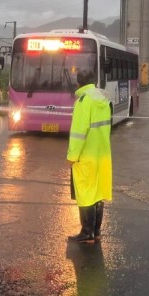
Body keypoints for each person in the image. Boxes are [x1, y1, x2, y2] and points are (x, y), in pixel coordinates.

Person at [65, 69, 112, 243]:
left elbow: (78, 133)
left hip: (86, 156)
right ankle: (96, 231)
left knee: (85, 193)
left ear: (79, 83)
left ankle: (86, 233)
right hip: (103, 155)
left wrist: (72, 155)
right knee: (98, 193)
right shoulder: (103, 99)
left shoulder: (83, 101)